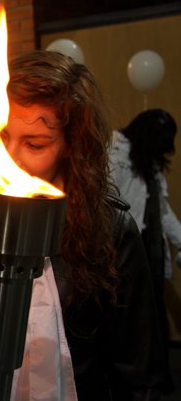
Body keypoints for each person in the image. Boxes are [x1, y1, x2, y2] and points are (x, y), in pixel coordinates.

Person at [0, 50, 167, 399]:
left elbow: (138, 372)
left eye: (35, 144)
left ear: (70, 147)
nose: (9, 161)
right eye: (1, 138)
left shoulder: (110, 229)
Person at [109, 108, 181, 391]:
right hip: (123, 250)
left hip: (149, 250)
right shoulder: (115, 156)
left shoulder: (148, 163)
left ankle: (150, 380)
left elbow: (162, 212)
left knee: (150, 319)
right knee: (130, 323)